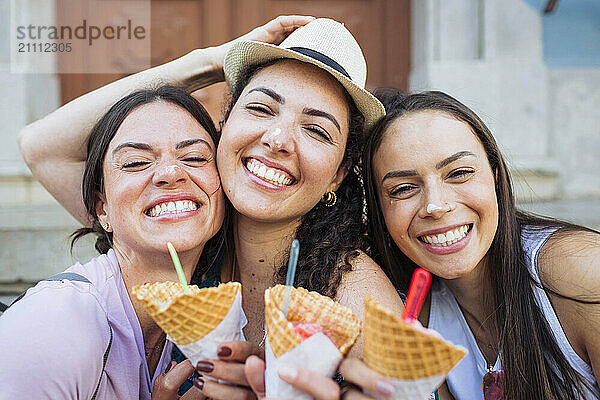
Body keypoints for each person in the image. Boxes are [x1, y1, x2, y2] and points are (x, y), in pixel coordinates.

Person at [18, 17, 405, 399]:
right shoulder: (188, 232)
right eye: (261, 109)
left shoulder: (358, 303)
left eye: (316, 130)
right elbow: (40, 147)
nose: (277, 139)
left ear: (337, 176)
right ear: (225, 125)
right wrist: (210, 63)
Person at [360, 87, 600, 399]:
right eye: (403, 189)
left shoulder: (581, 270)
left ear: (496, 176)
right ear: (380, 210)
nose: (436, 205)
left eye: (459, 173)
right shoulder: (400, 311)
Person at [0, 85, 224, 399]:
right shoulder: (57, 323)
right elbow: (38, 144)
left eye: (195, 157)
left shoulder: (204, 316)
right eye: (135, 163)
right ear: (101, 208)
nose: (172, 173)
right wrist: (212, 60)